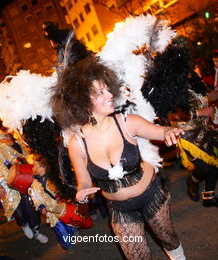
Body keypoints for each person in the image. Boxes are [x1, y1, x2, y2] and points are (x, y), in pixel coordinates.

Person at [50, 56, 186, 260]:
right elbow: (84, 183)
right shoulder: (77, 144)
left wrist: (168, 132)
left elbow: (161, 130)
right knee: (136, 256)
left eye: (108, 89)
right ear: (84, 102)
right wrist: (81, 195)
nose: (110, 95)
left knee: (169, 239)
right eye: (101, 92)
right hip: (120, 209)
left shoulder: (127, 122)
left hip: (151, 195)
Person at [0, 117, 48, 243]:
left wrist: (14, 144)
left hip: (20, 178)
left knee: (30, 204)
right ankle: (24, 224)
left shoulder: (4, 137)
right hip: (3, 186)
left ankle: (36, 230)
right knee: (17, 208)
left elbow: (24, 152)